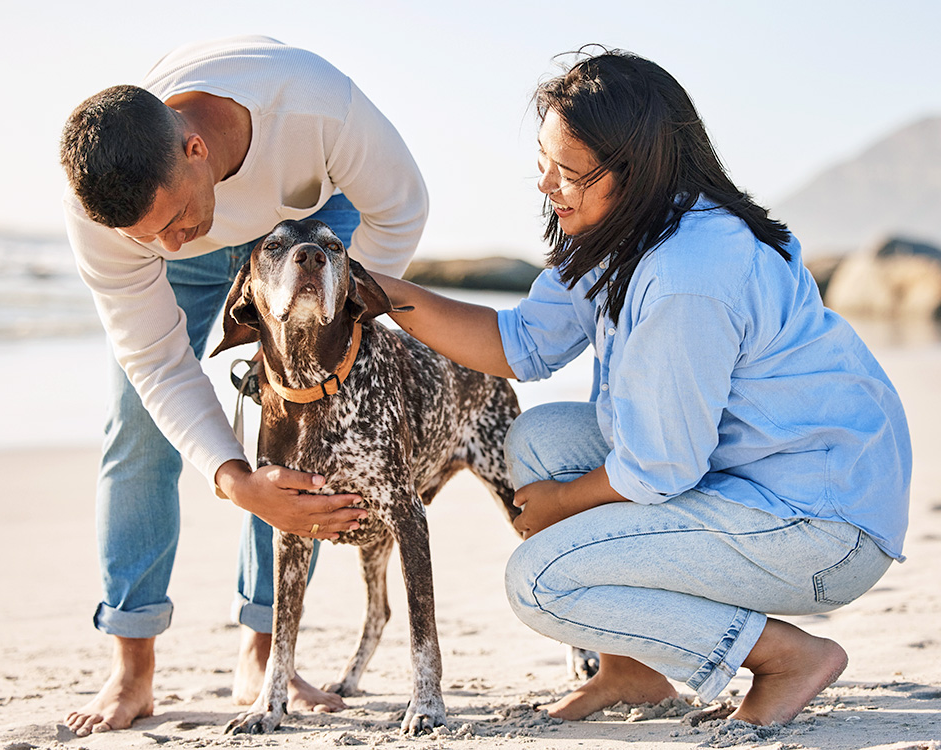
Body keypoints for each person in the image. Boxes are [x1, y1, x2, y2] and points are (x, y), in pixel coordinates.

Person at [369, 47, 911, 727]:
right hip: (750, 476)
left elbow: (660, 466)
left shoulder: (691, 272)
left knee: (540, 581)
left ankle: (786, 656)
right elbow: (522, 344)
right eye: (542, 163)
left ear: (637, 170)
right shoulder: (619, 234)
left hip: (823, 527)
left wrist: (562, 503)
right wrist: (387, 294)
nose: (546, 185)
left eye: (567, 172)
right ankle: (634, 670)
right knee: (539, 437)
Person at [58, 35, 428, 736]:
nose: (167, 246)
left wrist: (326, 337)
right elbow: (158, 362)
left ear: (195, 150)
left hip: (316, 218)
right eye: (147, 239)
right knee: (136, 423)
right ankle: (132, 666)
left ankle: (265, 653)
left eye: (169, 223)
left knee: (311, 412)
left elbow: (403, 206)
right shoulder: (106, 213)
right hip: (206, 223)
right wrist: (232, 476)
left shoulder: (319, 109)